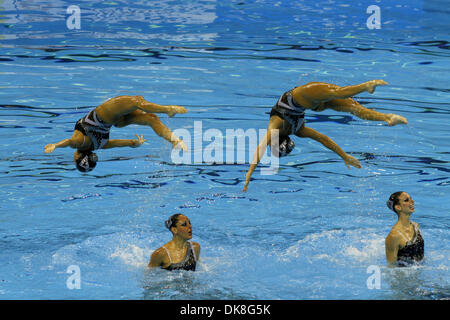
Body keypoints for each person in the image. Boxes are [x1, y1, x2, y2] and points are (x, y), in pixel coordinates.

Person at [242, 80, 408, 192]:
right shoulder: (294, 129)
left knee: (352, 106)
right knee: (343, 97)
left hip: (305, 101)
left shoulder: (279, 126)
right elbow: (323, 139)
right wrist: (344, 156)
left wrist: (249, 174)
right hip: (303, 97)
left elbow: (261, 147)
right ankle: (373, 95)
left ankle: (386, 114)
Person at [44, 95, 188, 172]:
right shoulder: (81, 142)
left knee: (151, 119)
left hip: (116, 121)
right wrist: (55, 146)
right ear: (78, 156)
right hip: (106, 114)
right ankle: (168, 109)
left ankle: (174, 140)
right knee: (137, 101)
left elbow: (127, 143)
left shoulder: (101, 146)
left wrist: (136, 144)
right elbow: (70, 142)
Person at [385, 192, 424, 266]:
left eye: (411, 199)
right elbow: (391, 267)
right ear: (398, 207)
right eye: (406, 200)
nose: (412, 201)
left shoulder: (415, 226)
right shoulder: (394, 236)